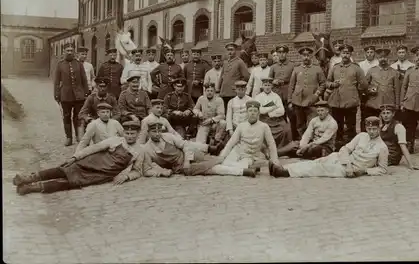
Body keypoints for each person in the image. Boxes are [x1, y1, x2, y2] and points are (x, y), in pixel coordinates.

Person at [13, 120, 144, 196]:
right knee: (63, 170)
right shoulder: (115, 140)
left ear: (138, 134)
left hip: (102, 174)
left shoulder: (139, 151)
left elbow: (138, 171)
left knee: (70, 183)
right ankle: (28, 178)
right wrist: (75, 158)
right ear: (124, 133)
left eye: (133, 134)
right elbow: (93, 148)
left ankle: (30, 188)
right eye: (127, 133)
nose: (130, 136)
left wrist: (126, 176)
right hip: (90, 163)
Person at [268, 116, 388, 178]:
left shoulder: (382, 147)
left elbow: (383, 169)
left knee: (319, 169)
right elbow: (345, 149)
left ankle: (285, 173)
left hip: (352, 169)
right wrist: (348, 163)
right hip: (344, 160)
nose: (371, 132)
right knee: (315, 162)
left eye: (374, 129)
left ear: (379, 128)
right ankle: (283, 167)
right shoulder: (362, 136)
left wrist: (364, 171)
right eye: (369, 129)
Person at [140, 122, 255, 177]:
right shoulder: (147, 149)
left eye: (159, 131)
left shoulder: (168, 137)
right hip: (181, 168)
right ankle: (243, 171)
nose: (157, 134)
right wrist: (161, 173)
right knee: (212, 169)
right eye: (154, 131)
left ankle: (248, 165)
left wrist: (186, 160)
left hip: (189, 155)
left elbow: (185, 145)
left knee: (216, 159)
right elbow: (147, 170)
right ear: (148, 132)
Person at [218, 100, 281, 175]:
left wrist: (275, 160)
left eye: (255, 111)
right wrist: (222, 157)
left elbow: (271, 144)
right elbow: (231, 143)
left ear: (258, 113)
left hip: (251, 157)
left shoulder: (264, 126)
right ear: (247, 113)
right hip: (238, 152)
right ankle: (252, 167)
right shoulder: (241, 126)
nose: (252, 113)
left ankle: (249, 167)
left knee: (244, 164)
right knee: (225, 164)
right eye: (250, 111)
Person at [325, 44, 366, 150]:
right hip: (336, 101)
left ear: (350, 54)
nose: (345, 55)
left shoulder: (356, 68)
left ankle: (350, 147)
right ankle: (338, 147)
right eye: (343, 53)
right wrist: (332, 84)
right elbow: (327, 82)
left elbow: (364, 85)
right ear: (340, 54)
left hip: (350, 102)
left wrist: (355, 94)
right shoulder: (335, 67)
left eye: (347, 53)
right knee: (337, 125)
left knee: (351, 126)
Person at [53, 43, 90, 146]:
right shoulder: (60, 65)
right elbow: (56, 81)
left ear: (74, 52)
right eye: (67, 51)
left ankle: (79, 136)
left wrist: (86, 92)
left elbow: (84, 80)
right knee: (66, 116)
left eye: (71, 51)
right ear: (64, 52)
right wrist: (56, 94)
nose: (69, 52)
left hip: (79, 96)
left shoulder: (79, 64)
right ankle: (68, 137)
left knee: (78, 116)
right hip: (65, 95)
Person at [288, 46, 326, 137]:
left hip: (312, 102)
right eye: (304, 55)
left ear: (311, 56)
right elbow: (291, 86)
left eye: (308, 55)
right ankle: (302, 140)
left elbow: (323, 84)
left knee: (313, 123)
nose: (306, 57)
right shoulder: (296, 69)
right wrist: (290, 100)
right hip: (298, 101)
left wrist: (316, 95)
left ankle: (313, 141)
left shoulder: (317, 69)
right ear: (301, 56)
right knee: (300, 124)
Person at [254, 77, 293, 153]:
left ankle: (283, 149)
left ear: (271, 86)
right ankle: (267, 150)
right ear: (262, 86)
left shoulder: (276, 96)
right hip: (264, 120)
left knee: (286, 129)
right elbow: (261, 111)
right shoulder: (258, 97)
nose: (267, 87)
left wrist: (269, 112)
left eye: (269, 85)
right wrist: (273, 107)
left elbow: (282, 111)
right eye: (265, 85)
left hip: (276, 120)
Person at [379, 104, 419, 170]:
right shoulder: (382, 126)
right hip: (382, 153)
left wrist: (411, 164)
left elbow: (403, 146)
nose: (385, 115)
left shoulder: (398, 127)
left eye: (388, 113)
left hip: (392, 156)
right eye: (383, 113)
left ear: (393, 114)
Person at [269, 45, 297, 139]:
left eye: (283, 52)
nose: (281, 54)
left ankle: (294, 137)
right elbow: (268, 80)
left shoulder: (292, 65)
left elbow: (296, 81)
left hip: (288, 94)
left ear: (286, 53)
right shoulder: (273, 67)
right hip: (277, 94)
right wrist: (273, 81)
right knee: (280, 117)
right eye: (279, 52)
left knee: (292, 117)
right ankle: (282, 137)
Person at [365, 48, 400, 118]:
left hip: (389, 103)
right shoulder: (371, 71)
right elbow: (365, 85)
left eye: (385, 57)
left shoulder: (394, 72)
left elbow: (397, 89)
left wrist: (397, 104)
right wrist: (370, 90)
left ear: (388, 58)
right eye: (381, 57)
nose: (383, 59)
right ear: (378, 58)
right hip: (375, 103)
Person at [216, 42, 250, 110]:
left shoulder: (239, 62)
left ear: (236, 51)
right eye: (228, 50)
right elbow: (222, 76)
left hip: (233, 92)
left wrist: (238, 87)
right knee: (224, 111)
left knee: (233, 111)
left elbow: (246, 76)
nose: (230, 52)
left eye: (232, 50)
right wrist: (218, 88)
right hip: (224, 91)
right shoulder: (225, 62)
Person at [390, 45, 415, 123]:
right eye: (399, 52)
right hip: (396, 93)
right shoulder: (392, 66)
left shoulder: (412, 66)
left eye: (403, 52)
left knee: (407, 117)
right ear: (397, 54)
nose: (401, 54)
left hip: (407, 93)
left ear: (406, 53)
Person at [358, 46, 379, 131]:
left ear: (374, 53)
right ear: (365, 53)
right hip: (364, 92)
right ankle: (364, 132)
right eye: (368, 52)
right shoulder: (361, 64)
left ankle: (375, 132)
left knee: (375, 113)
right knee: (364, 114)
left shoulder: (378, 63)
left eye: (371, 52)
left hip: (376, 92)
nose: (370, 54)